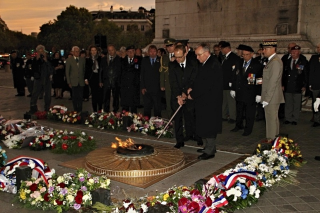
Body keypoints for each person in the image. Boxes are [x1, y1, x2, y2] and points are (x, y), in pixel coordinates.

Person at [187, 43, 223, 160]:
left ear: (206, 53)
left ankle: (210, 150)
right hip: (205, 100)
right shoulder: (207, 63)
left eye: (199, 55)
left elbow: (205, 85)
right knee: (205, 124)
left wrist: (192, 94)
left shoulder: (212, 64)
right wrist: (192, 88)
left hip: (210, 101)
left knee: (209, 125)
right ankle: (209, 146)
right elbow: (199, 80)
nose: (197, 57)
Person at [169, 44, 200, 148]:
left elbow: (193, 79)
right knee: (177, 119)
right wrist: (178, 96)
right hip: (177, 97)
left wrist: (185, 93)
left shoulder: (193, 63)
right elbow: (173, 82)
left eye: (180, 57)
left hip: (189, 95)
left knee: (191, 116)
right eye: (176, 56)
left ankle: (195, 136)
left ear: (185, 53)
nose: (177, 59)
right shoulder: (172, 65)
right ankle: (179, 140)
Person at [230, 45, 263, 136]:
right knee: (239, 111)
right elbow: (235, 76)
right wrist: (233, 88)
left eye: (247, 54)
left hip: (250, 92)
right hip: (240, 91)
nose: (245, 56)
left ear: (252, 54)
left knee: (249, 113)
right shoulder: (239, 62)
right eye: (243, 54)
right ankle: (238, 125)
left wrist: (259, 94)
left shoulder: (257, 65)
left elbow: (259, 80)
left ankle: (248, 129)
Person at [260, 39, 285, 140]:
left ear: (272, 49)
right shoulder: (272, 61)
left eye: (265, 49)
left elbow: (273, 82)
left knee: (271, 120)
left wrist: (267, 98)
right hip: (272, 96)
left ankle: (271, 141)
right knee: (272, 120)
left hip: (272, 97)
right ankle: (274, 141)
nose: (263, 51)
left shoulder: (275, 62)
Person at [282, 45, 308, 125]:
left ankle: (295, 119)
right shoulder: (287, 61)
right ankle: (288, 118)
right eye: (292, 52)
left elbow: (306, 74)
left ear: (299, 52)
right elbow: (283, 74)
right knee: (288, 103)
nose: (293, 53)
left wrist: (305, 85)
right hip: (288, 85)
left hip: (297, 85)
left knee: (296, 103)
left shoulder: (303, 62)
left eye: (295, 52)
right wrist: (282, 84)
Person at [220, 41, 240, 123]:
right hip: (224, 83)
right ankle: (223, 115)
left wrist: (232, 82)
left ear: (226, 48)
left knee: (231, 101)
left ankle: (233, 117)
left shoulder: (233, 57)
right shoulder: (225, 57)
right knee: (224, 100)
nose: (221, 50)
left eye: (221, 48)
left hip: (229, 83)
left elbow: (234, 71)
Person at [29, 45, 53, 113]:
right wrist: (37, 59)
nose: (41, 52)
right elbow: (33, 68)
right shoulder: (35, 59)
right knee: (35, 93)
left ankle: (47, 107)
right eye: (39, 51)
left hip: (47, 78)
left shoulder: (48, 58)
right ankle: (33, 107)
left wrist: (45, 60)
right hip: (38, 78)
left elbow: (51, 68)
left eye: (42, 51)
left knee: (48, 94)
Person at [140, 45, 162, 118]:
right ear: (148, 52)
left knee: (157, 108)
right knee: (147, 108)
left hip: (157, 88)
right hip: (147, 89)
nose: (152, 53)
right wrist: (142, 87)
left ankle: (158, 124)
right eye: (151, 52)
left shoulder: (160, 60)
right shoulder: (144, 60)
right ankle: (146, 124)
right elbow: (142, 74)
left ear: (157, 52)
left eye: (154, 51)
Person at [100, 44, 122, 113]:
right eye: (109, 50)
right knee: (106, 97)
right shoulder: (104, 59)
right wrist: (100, 81)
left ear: (114, 50)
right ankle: (106, 111)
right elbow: (101, 70)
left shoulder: (119, 59)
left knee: (116, 97)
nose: (111, 52)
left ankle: (115, 110)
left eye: (112, 50)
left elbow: (121, 71)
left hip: (116, 81)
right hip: (106, 80)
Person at [120, 45, 142, 113]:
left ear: (134, 52)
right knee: (125, 108)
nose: (130, 53)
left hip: (134, 86)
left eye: (132, 51)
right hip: (125, 87)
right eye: (129, 51)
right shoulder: (122, 60)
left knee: (133, 108)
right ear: (126, 52)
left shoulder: (139, 60)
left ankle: (133, 122)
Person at [65, 46, 86, 112]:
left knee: (80, 97)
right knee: (74, 97)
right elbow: (67, 72)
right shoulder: (69, 60)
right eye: (76, 51)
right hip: (73, 81)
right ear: (73, 52)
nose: (77, 53)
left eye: (78, 51)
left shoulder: (82, 60)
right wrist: (69, 82)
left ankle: (80, 109)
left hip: (81, 81)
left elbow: (84, 70)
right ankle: (75, 110)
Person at [160, 38, 176, 117]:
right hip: (167, 83)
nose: (169, 48)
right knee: (168, 101)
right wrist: (162, 84)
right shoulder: (164, 57)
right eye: (167, 46)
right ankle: (170, 118)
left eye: (171, 46)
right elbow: (162, 71)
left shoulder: (179, 55)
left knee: (176, 101)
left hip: (177, 83)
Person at [85, 45, 103, 112]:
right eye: (92, 50)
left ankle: (100, 110)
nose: (93, 52)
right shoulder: (88, 60)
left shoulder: (100, 59)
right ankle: (95, 111)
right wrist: (86, 78)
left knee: (100, 95)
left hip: (99, 78)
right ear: (90, 51)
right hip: (92, 78)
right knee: (94, 95)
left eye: (95, 50)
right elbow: (86, 70)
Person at [309, 43, 320, 127]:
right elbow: (311, 72)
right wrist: (310, 83)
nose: (318, 49)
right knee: (316, 103)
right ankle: (317, 120)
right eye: (318, 47)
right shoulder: (314, 58)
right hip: (316, 84)